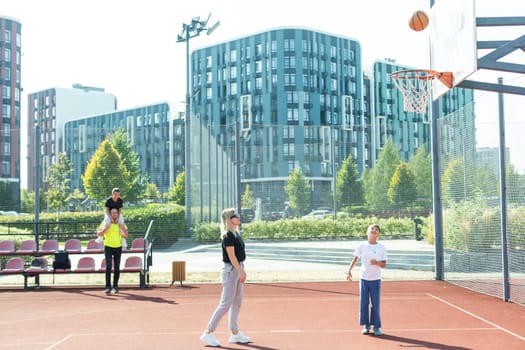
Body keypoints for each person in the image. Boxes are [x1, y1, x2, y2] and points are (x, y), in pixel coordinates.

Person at [200, 208, 251, 347]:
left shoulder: (236, 234)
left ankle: (235, 333)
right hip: (231, 270)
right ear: (229, 219)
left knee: (237, 302)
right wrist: (240, 271)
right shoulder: (227, 235)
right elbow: (231, 256)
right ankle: (208, 332)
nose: (238, 217)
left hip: (238, 267)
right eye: (235, 215)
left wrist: (241, 269)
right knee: (225, 304)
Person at [346, 224, 387, 336]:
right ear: (367, 232)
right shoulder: (362, 246)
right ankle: (366, 325)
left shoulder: (381, 247)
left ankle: (376, 327)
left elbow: (384, 264)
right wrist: (349, 270)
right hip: (364, 279)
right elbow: (355, 259)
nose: (374, 230)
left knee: (375, 304)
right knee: (364, 303)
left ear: (378, 234)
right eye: (371, 229)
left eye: (376, 229)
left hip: (376, 279)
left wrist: (376, 263)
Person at [96, 207, 128, 294]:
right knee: (109, 266)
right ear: (110, 214)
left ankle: (115, 286)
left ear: (118, 214)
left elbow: (126, 235)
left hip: (118, 247)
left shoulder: (120, 223)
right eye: (112, 213)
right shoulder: (105, 222)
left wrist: (123, 228)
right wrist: (106, 228)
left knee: (117, 268)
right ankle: (108, 286)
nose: (114, 214)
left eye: (115, 213)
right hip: (108, 247)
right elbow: (99, 234)